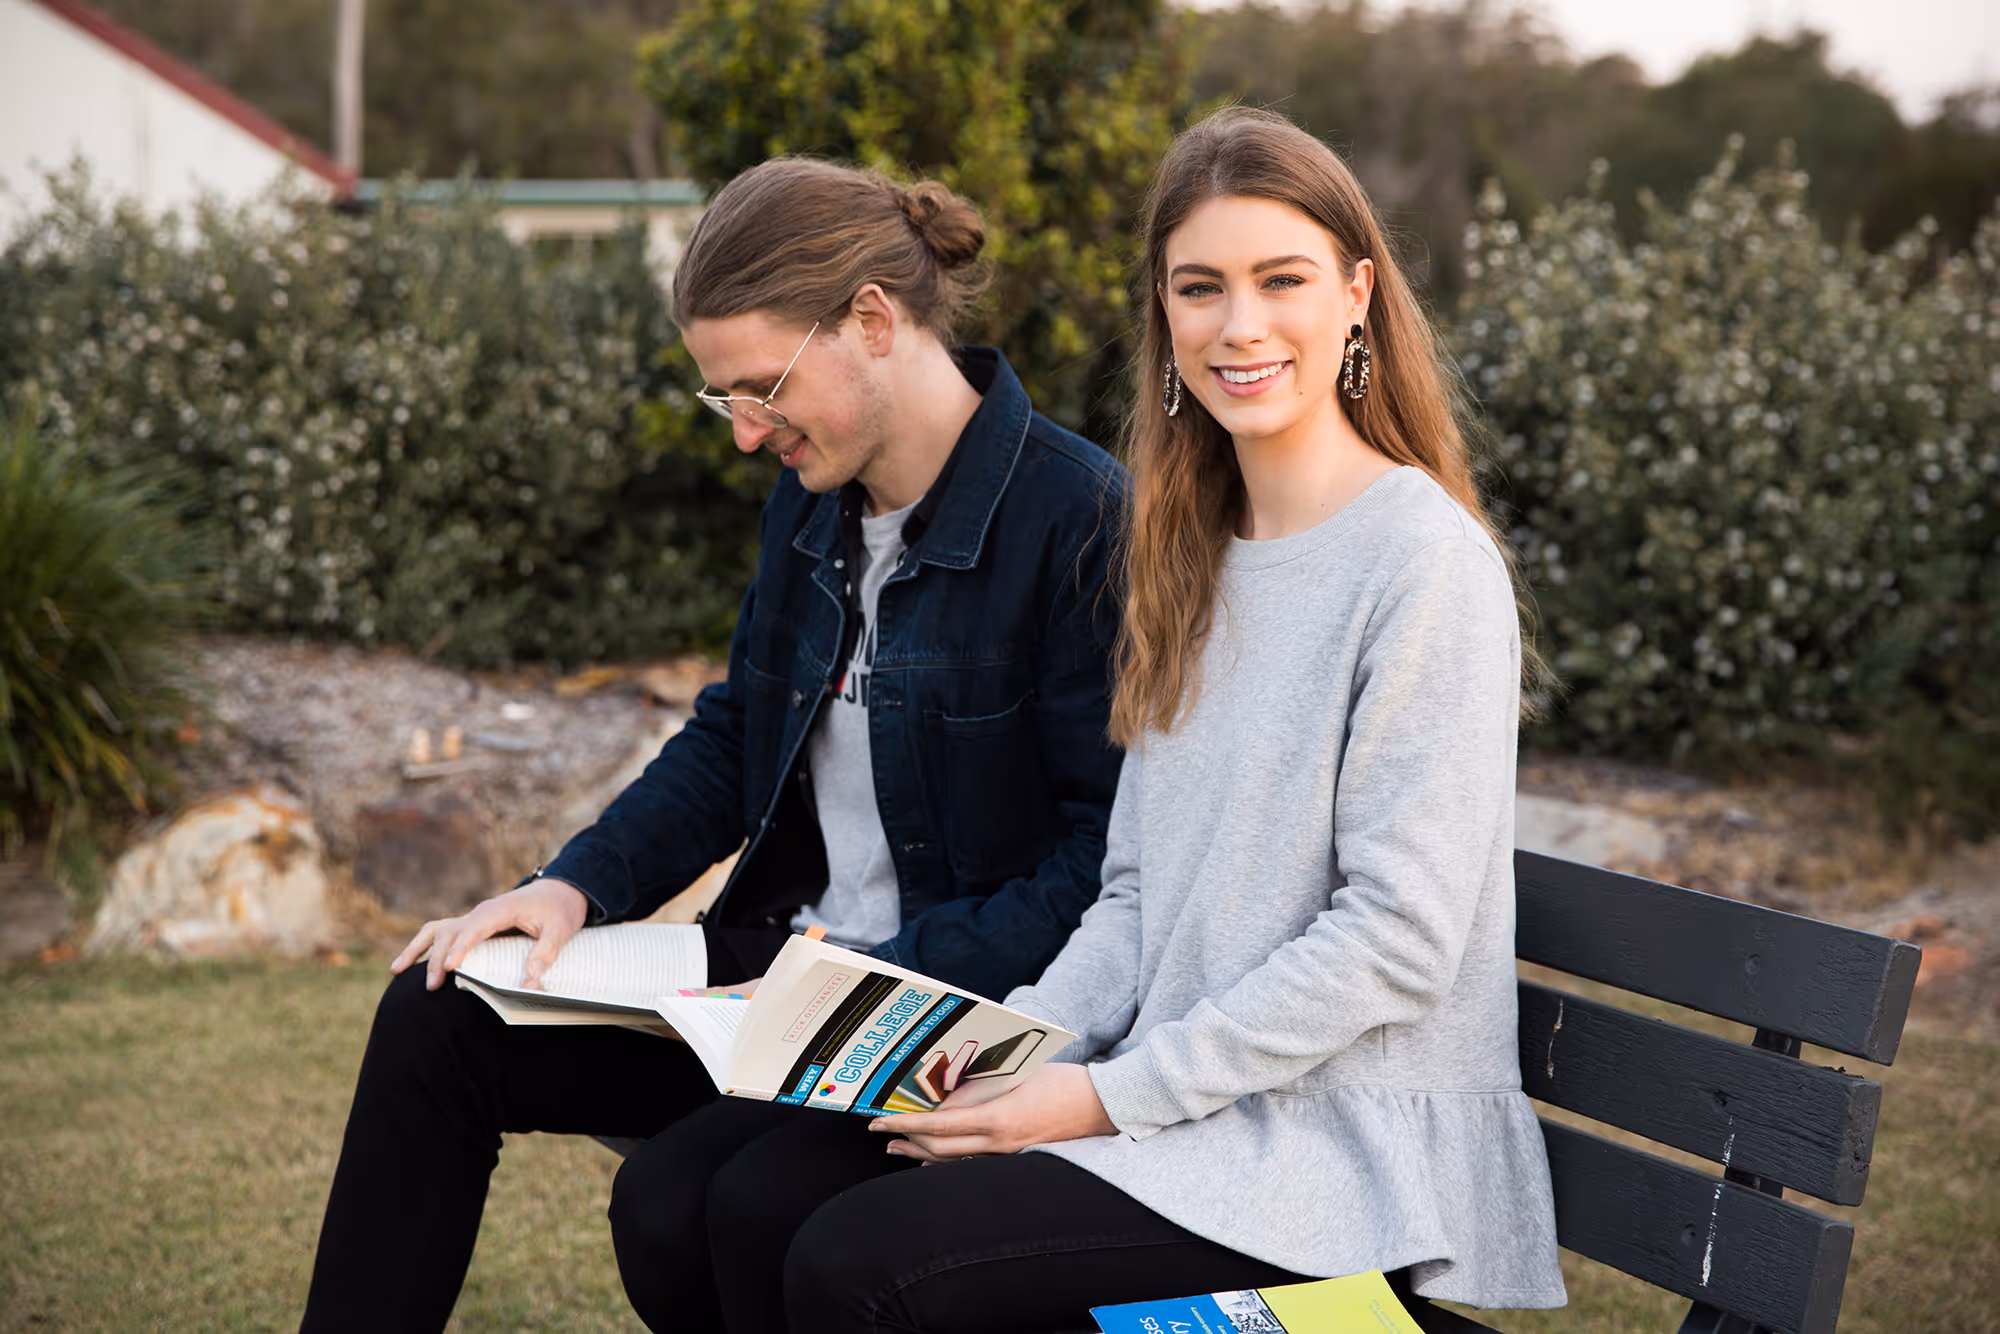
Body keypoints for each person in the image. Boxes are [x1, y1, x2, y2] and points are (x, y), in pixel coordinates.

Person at [761, 107, 1569, 1330]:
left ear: (1355, 294)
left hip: (1331, 1157)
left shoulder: (1421, 561)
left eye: (1279, 280)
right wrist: (1014, 1056)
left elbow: (1397, 936)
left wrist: (1093, 1100)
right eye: (1199, 288)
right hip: (1193, 1118)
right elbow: (1134, 892)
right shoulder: (1192, 553)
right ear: (1163, 314)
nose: (1238, 325)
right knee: (744, 1199)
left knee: (862, 1262)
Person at [299, 158, 1127, 1333]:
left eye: (760, 388)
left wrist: (856, 976)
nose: (744, 435)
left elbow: (1097, 867)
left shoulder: (1080, 522)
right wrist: (576, 882)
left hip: (930, 1014)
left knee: (675, 1202)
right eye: (721, 398)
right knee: (439, 1010)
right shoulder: (810, 496)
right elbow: (737, 726)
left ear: (873, 322)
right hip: (758, 986)